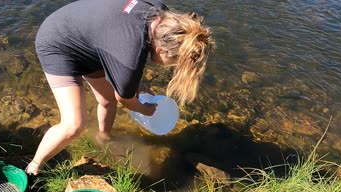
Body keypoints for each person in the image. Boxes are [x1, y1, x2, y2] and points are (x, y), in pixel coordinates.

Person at [25, 0, 214, 176]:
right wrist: (144, 109)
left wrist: (133, 83)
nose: (170, 66)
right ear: (160, 50)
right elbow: (124, 98)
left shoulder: (162, 15)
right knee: (73, 125)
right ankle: (34, 165)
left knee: (106, 101)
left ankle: (103, 137)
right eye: (173, 62)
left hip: (92, 37)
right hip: (58, 41)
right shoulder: (129, 57)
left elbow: (120, 50)